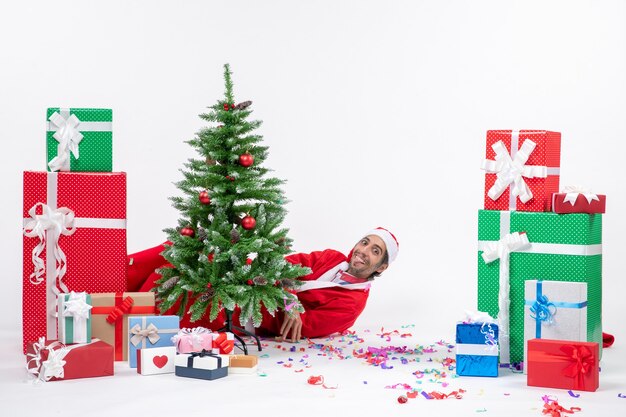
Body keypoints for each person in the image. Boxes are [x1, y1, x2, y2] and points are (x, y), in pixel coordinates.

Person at [127, 227, 399, 343]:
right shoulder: (332, 258)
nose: (364, 251)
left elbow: (295, 328)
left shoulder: (351, 307)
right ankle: (116, 280)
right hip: (248, 273)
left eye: (375, 251)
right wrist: (292, 301)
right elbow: (282, 265)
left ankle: (123, 311)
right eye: (365, 242)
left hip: (243, 309)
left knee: (181, 280)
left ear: (382, 266)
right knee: (183, 248)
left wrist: (284, 297)